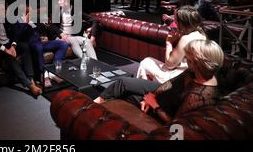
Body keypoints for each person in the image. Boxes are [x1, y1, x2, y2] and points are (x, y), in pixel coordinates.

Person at [94, 40, 223, 124]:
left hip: (164, 107)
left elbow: (175, 125)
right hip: (165, 93)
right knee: (122, 82)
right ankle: (93, 104)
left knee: (126, 96)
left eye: (188, 59)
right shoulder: (194, 71)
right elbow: (171, 82)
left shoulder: (198, 96)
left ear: (198, 63)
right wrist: (153, 94)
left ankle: (93, 112)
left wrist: (154, 104)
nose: (186, 59)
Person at [0, 2, 43, 97]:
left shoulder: (7, 19)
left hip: (9, 44)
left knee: (25, 46)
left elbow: (15, 34)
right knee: (10, 57)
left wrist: (13, 46)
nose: (5, 11)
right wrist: (5, 49)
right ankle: (30, 86)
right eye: (2, 9)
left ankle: (31, 78)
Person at [137, 6, 207, 83]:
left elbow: (169, 65)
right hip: (190, 75)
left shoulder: (186, 39)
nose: (174, 22)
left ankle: (148, 90)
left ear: (183, 23)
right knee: (149, 61)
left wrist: (169, 43)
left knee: (145, 63)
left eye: (176, 20)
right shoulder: (202, 35)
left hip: (177, 78)